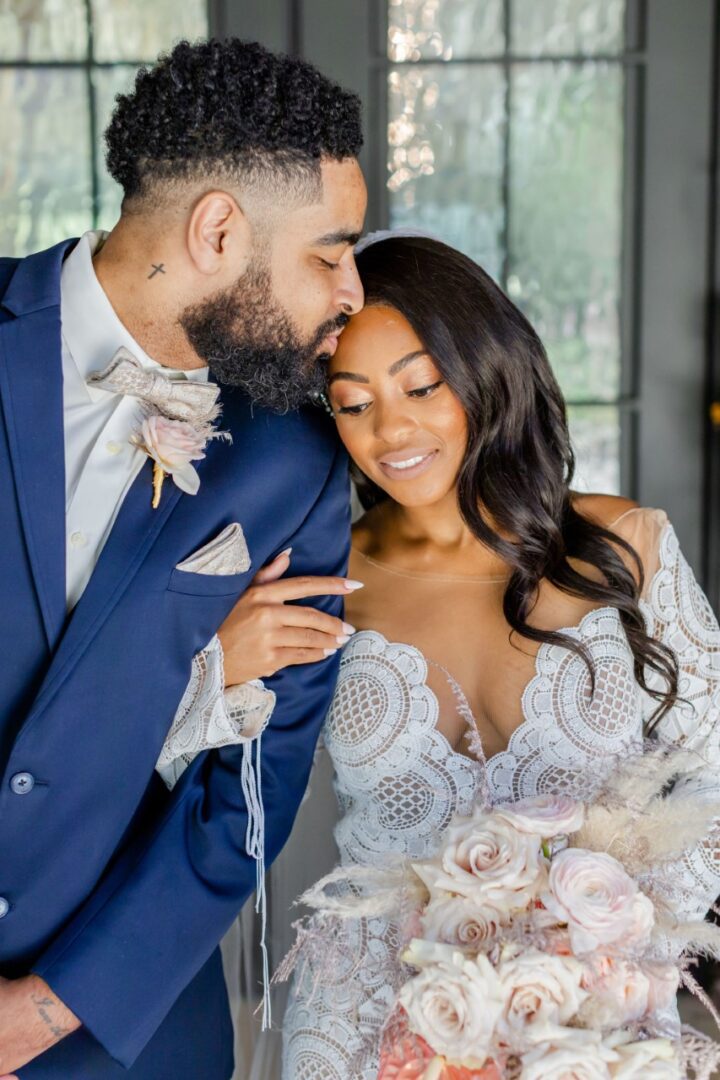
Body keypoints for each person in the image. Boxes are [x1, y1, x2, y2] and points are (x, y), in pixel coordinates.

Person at [0, 38, 366, 1078]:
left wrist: (45, 1012)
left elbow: (251, 790)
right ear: (219, 230)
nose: (351, 289)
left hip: (126, 1035)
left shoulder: (296, 459)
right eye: (330, 251)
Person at [274, 234, 720, 1078]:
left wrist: (605, 949)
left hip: (593, 1020)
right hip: (370, 1021)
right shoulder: (321, 574)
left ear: (483, 371)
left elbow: (713, 779)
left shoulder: (625, 546)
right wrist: (221, 660)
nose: (390, 429)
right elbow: (202, 765)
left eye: (420, 386)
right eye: (352, 401)